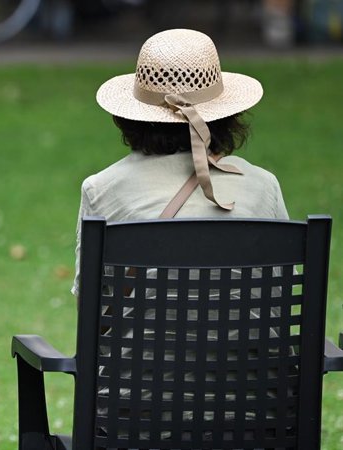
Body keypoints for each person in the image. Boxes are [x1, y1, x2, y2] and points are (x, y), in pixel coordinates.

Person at [72, 28, 289, 444]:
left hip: (135, 411)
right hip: (258, 409)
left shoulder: (102, 190)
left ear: (131, 114)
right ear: (225, 113)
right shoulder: (263, 186)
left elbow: (93, 311)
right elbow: (277, 306)